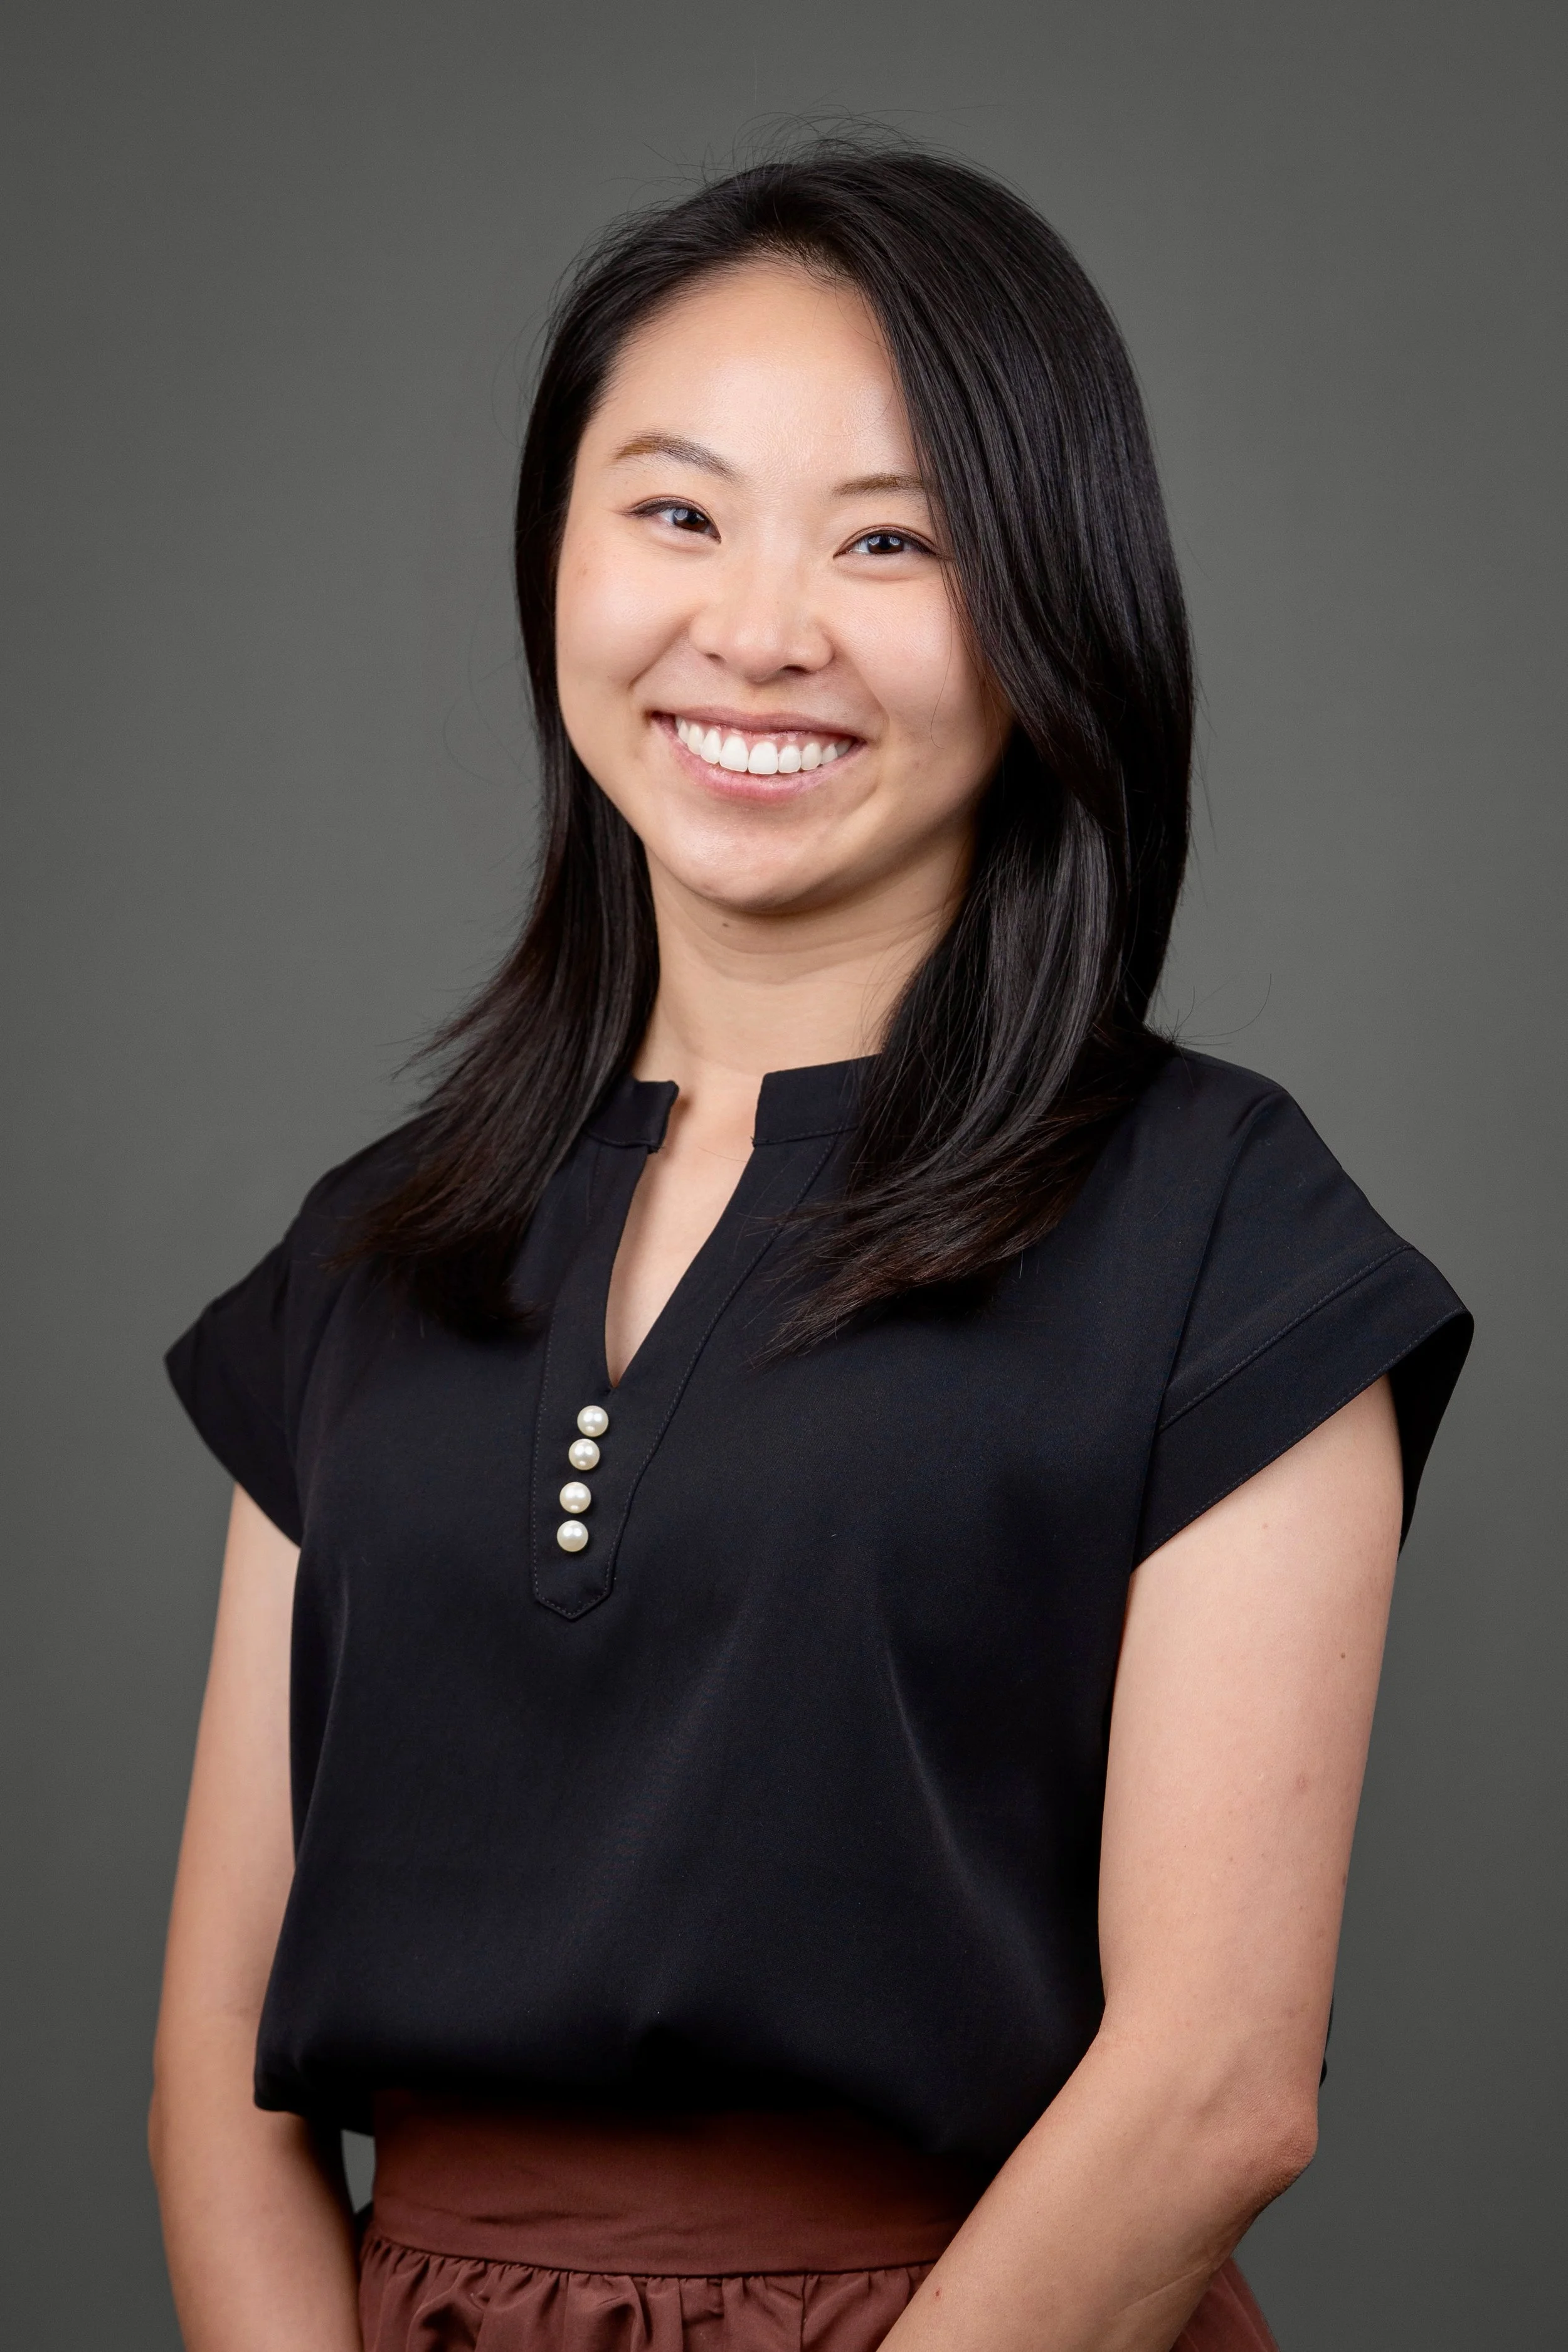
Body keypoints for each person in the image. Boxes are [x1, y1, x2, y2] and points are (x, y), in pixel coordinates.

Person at [151, 144, 1471, 2352]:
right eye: (676, 510)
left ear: (1053, 613)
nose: (756, 626)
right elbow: (217, 2088)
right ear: (550, 556)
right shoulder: (368, 1258)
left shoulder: (1224, 1224)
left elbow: (1220, 2085)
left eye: (891, 539)